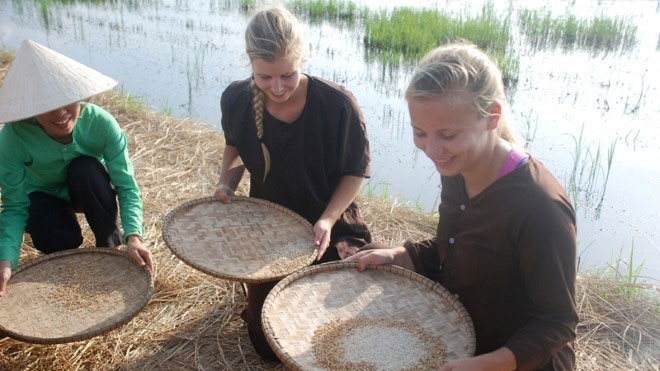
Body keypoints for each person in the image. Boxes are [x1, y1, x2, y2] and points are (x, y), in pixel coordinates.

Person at [347, 42, 578, 371]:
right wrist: (401, 254)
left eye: (447, 134)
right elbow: (458, 246)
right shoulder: (457, 166)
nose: (432, 149)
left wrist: (487, 364)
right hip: (462, 329)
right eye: (420, 133)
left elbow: (558, 323)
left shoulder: (540, 206)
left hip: (519, 359)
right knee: (373, 254)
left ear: (491, 117)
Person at [214, 5, 372, 361]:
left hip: (328, 226)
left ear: (303, 58)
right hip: (269, 227)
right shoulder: (236, 98)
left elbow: (355, 171)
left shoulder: (338, 105)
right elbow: (237, 148)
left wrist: (328, 219)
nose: (277, 87)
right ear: (251, 65)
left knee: (333, 327)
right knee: (270, 346)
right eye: (265, 77)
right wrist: (227, 184)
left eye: (287, 75)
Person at [0, 39, 154, 298]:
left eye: (66, 100)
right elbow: (14, 206)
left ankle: (109, 246)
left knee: (86, 169)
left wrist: (133, 236)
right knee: (62, 241)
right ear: (31, 111)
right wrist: (6, 260)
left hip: (84, 188)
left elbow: (126, 186)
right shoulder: (12, 138)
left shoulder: (101, 123)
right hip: (43, 195)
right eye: (46, 106)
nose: (60, 113)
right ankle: (63, 254)